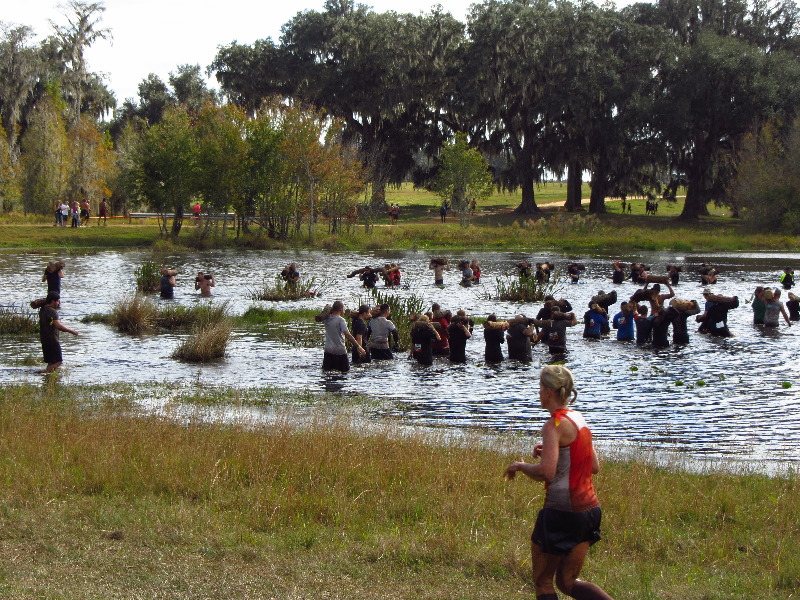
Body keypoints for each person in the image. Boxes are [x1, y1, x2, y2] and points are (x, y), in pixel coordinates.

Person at [503, 366, 614, 600]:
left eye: (540, 387)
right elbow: (593, 466)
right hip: (590, 510)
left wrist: (521, 466)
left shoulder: (553, 424)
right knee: (567, 581)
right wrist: (555, 451)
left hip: (562, 511)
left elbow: (546, 473)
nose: (538, 392)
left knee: (543, 581)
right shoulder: (577, 417)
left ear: (548, 391)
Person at [318, 301, 365, 372]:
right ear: (340, 309)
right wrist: (359, 347)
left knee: (327, 373)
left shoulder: (326, 319)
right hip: (340, 351)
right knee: (345, 373)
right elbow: (348, 335)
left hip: (328, 350)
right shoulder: (341, 320)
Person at [38, 292, 79, 374]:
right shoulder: (52, 311)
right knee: (58, 362)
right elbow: (58, 326)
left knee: (51, 362)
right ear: (53, 301)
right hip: (52, 340)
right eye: (57, 301)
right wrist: (71, 331)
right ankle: (44, 374)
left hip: (44, 339)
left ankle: (48, 380)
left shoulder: (42, 309)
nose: (58, 303)